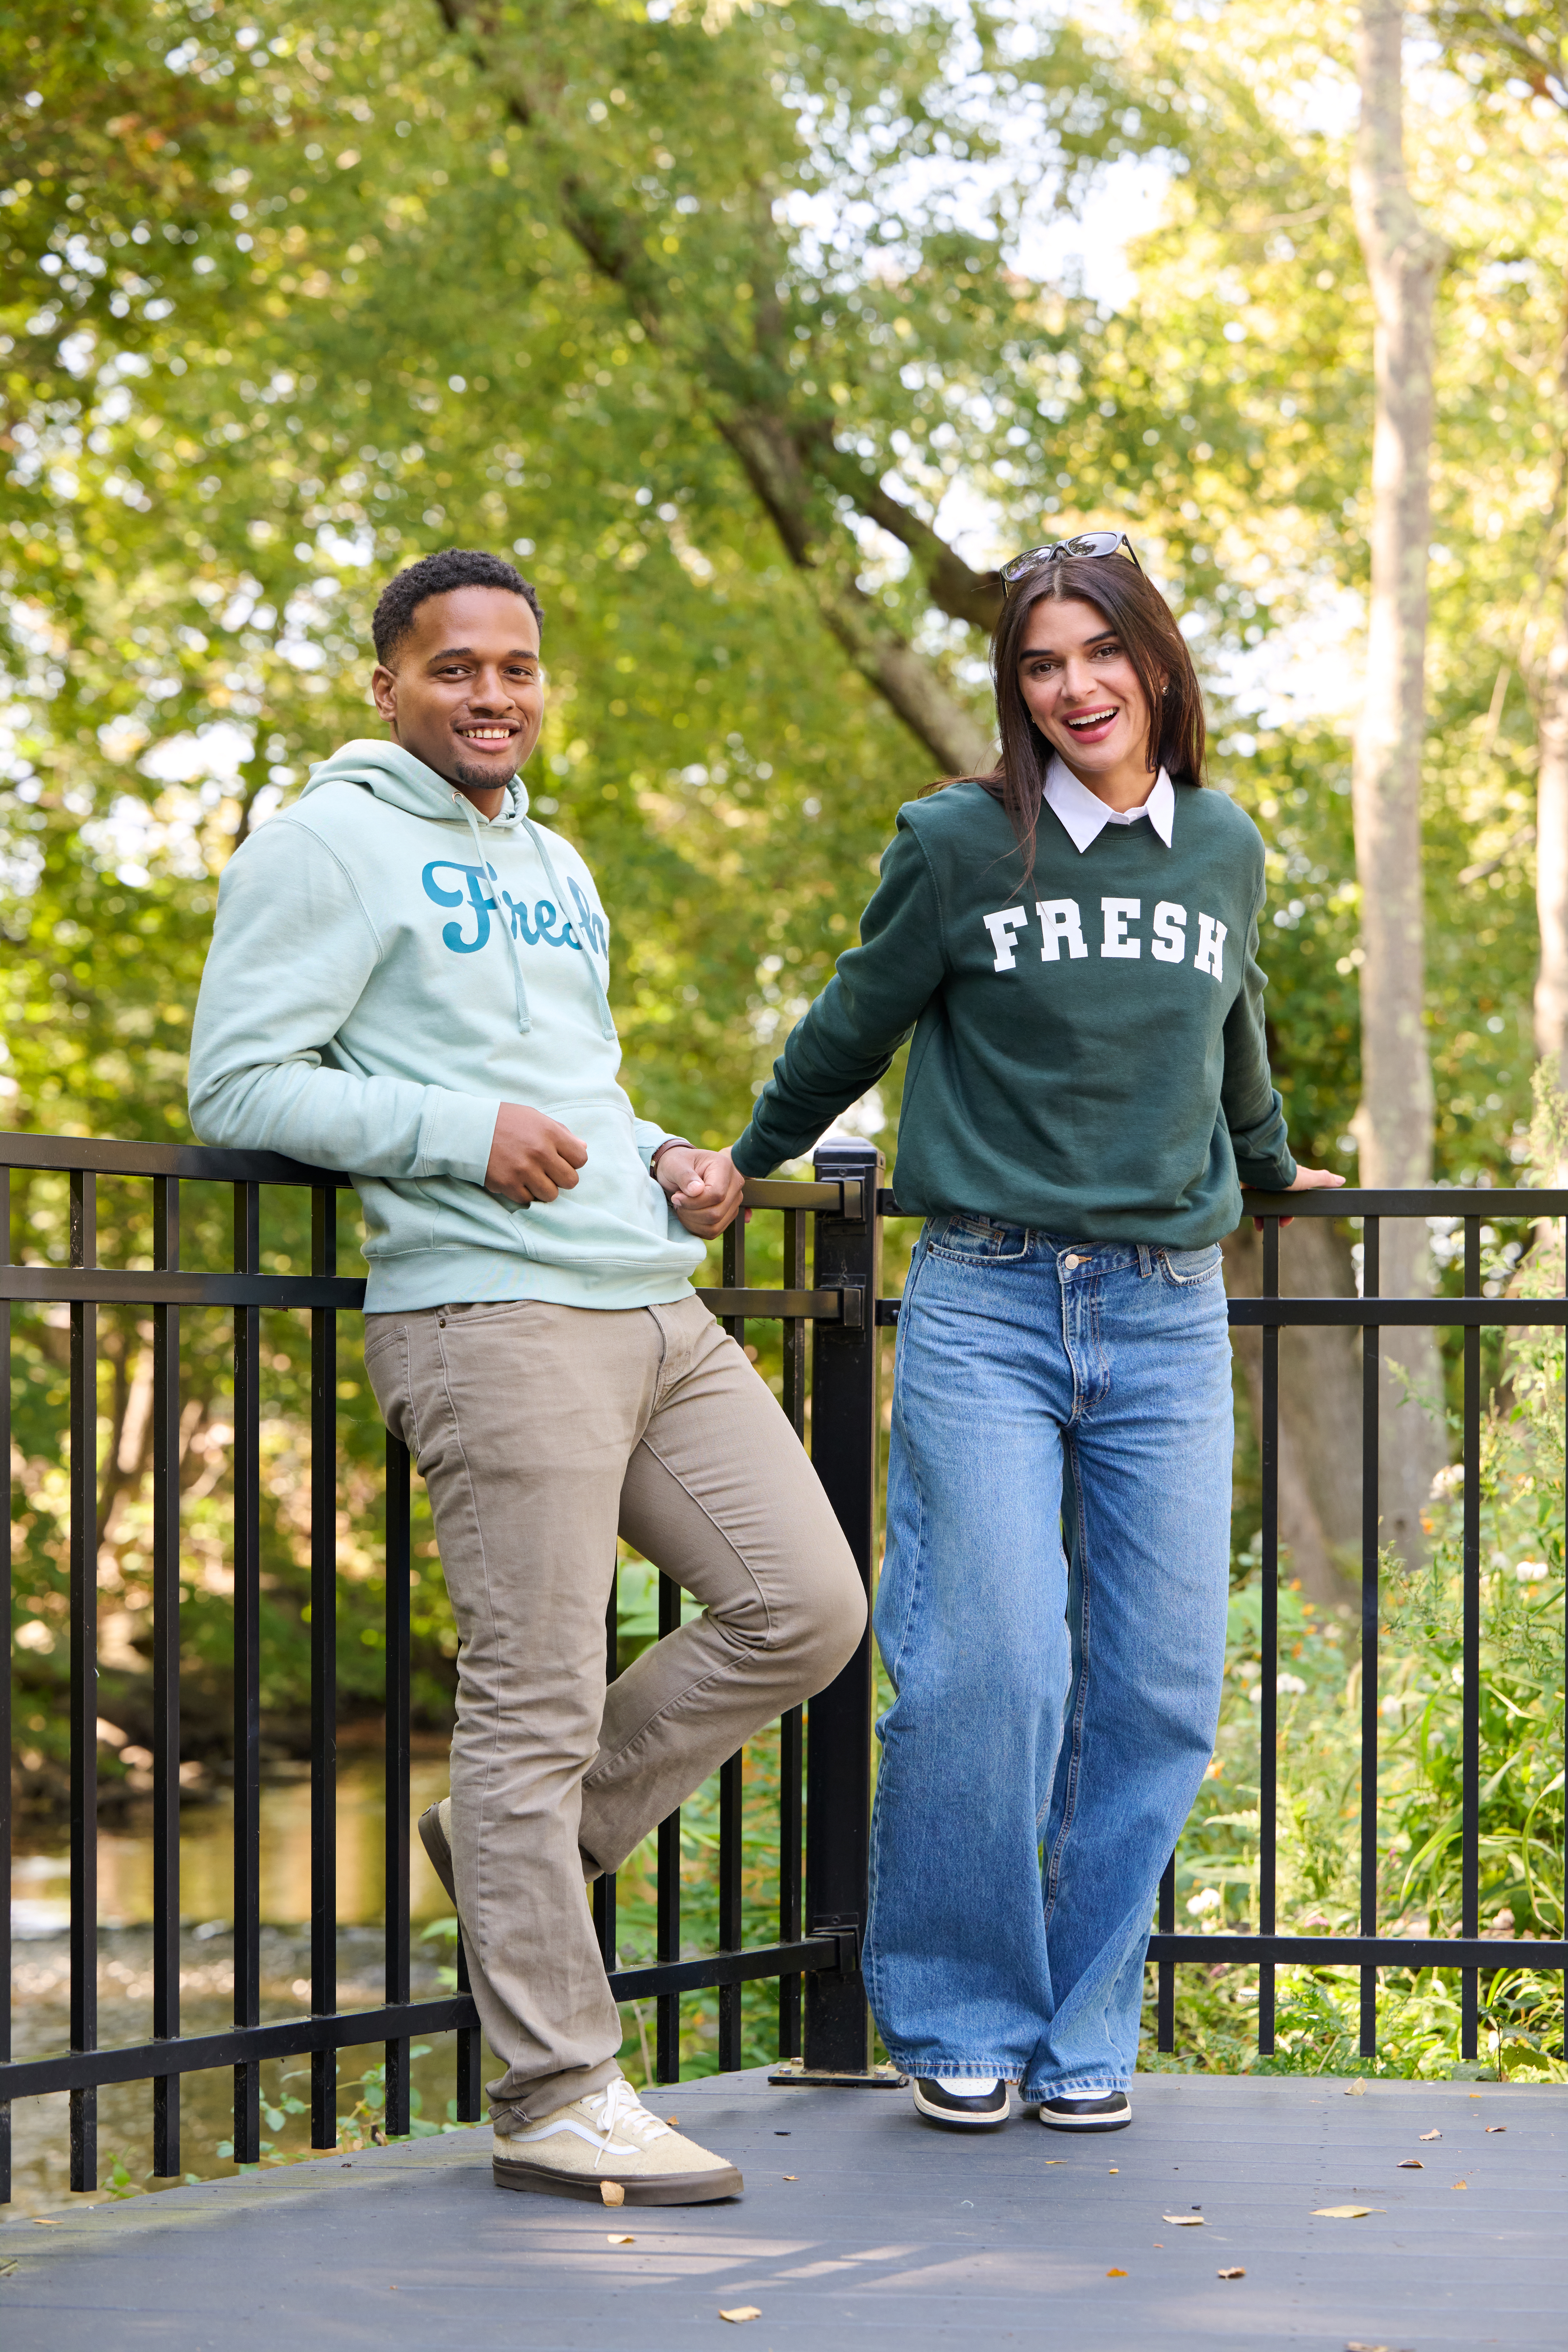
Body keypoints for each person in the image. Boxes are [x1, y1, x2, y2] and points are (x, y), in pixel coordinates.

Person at [188, 547, 864, 2202]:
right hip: (490, 1316)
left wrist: (677, 1154)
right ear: (388, 685)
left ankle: (514, 1854)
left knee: (809, 1608)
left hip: (647, 1298)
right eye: (455, 668)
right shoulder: (324, 849)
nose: (493, 695)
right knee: (534, 1704)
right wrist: (452, 1135)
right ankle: (557, 2093)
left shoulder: (553, 859)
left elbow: (573, 1079)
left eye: (517, 669)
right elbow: (238, 1082)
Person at [716, 532, 1343, 2134]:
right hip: (990, 1298)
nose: (1072, 687)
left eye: (1097, 654)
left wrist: (1274, 1171)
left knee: (1154, 1689)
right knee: (991, 1664)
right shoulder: (955, 845)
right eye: (1039, 663)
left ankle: (1085, 2029)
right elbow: (850, 1021)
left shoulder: (1222, 849)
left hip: (1167, 1314)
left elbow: (1235, 1028)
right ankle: (958, 2012)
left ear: (1155, 664)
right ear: (1016, 690)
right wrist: (748, 1159)